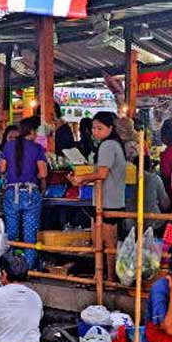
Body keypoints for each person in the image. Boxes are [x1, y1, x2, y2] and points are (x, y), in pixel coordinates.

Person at [68, 111, 126, 282]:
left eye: (99, 128)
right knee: (102, 242)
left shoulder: (108, 146)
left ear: (110, 128)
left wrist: (82, 178)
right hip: (108, 199)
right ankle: (102, 276)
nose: (95, 131)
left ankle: (108, 278)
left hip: (109, 201)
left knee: (107, 244)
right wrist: (83, 180)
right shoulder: (113, 145)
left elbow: (101, 173)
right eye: (93, 128)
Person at [0, 116, 47, 268]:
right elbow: (43, 174)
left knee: (11, 233)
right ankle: (29, 268)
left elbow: (2, 169)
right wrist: (34, 175)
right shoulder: (37, 148)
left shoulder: (9, 146)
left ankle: (11, 267)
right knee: (29, 235)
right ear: (31, 131)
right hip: (31, 193)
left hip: (12, 192)